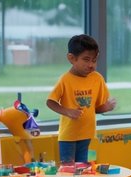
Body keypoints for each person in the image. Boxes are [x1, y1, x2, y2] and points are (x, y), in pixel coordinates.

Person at [47, 34, 117, 164]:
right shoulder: (65, 80)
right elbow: (50, 102)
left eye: (94, 60)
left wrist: (106, 107)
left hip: (87, 134)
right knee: (68, 169)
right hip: (68, 136)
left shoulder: (97, 79)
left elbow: (94, 108)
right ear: (72, 58)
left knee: (84, 169)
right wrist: (68, 111)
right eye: (86, 60)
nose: (91, 65)